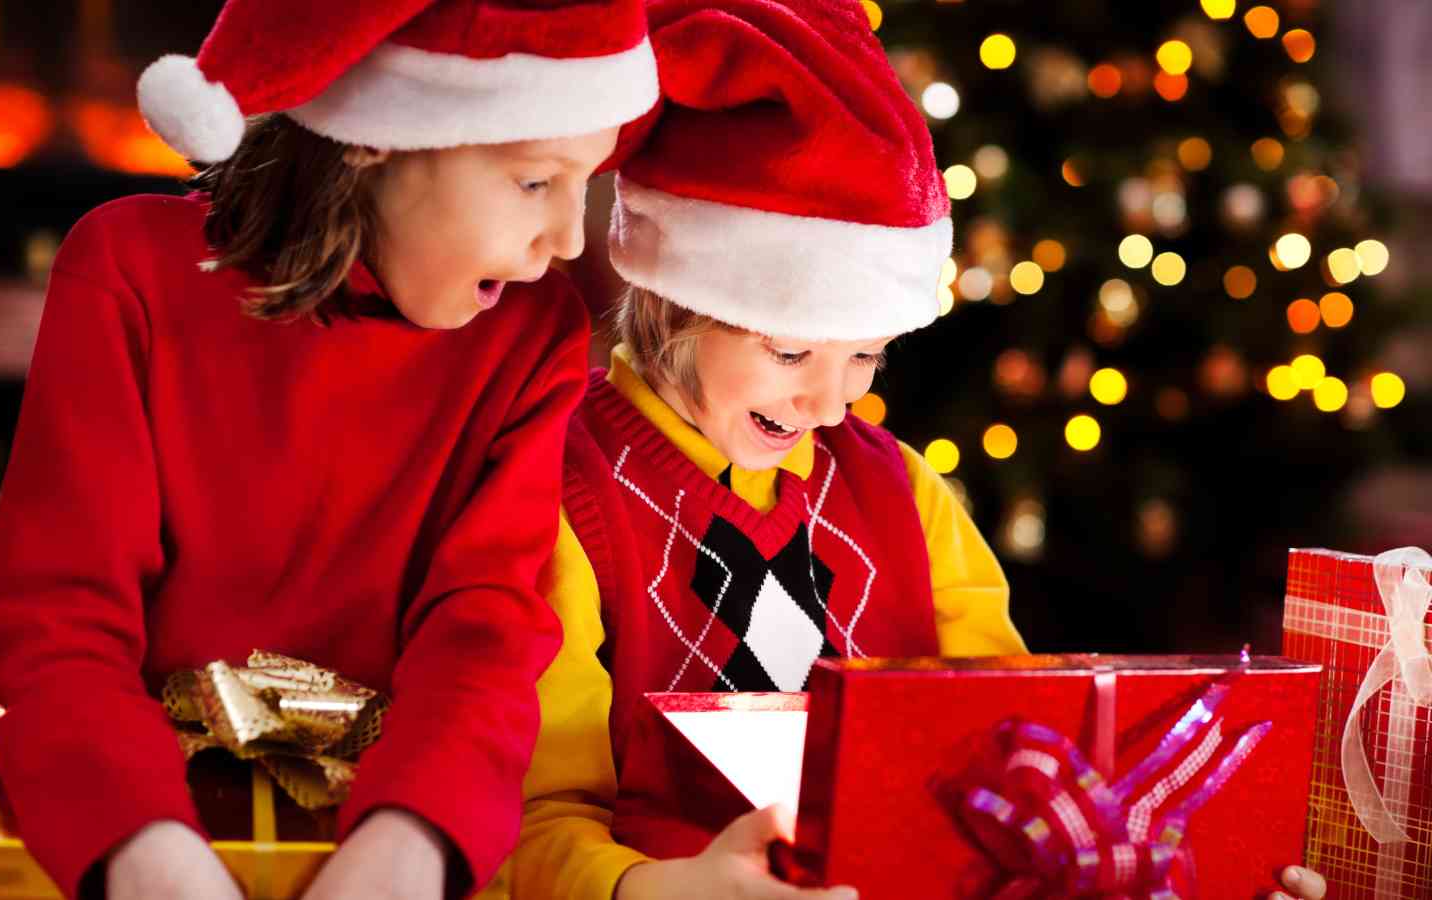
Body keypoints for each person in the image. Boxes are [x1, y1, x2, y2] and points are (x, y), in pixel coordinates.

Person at [495, 1, 1328, 898]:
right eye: (789, 352)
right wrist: (649, 888)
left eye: (864, 356)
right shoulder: (560, 489)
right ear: (672, 302)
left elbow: (1018, 759)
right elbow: (525, 814)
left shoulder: (903, 495)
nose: (831, 400)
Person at [0, 1, 658, 897]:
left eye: (586, 183)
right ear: (374, 137)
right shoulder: (127, 272)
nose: (568, 240)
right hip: (129, 816)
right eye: (534, 181)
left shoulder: (531, 335)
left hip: (410, 822)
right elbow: (58, 619)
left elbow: (484, 629)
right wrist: (147, 856)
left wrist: (407, 849)